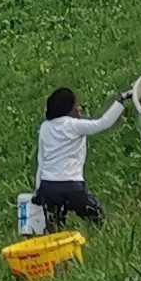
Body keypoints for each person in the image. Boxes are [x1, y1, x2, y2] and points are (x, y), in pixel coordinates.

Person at [30, 86, 126, 226]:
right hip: (71, 187)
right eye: (75, 106)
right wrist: (121, 101)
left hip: (48, 187)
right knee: (98, 217)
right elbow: (104, 123)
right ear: (68, 110)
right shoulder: (74, 125)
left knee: (54, 229)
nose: (79, 109)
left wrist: (38, 191)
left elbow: (42, 160)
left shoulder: (45, 127)